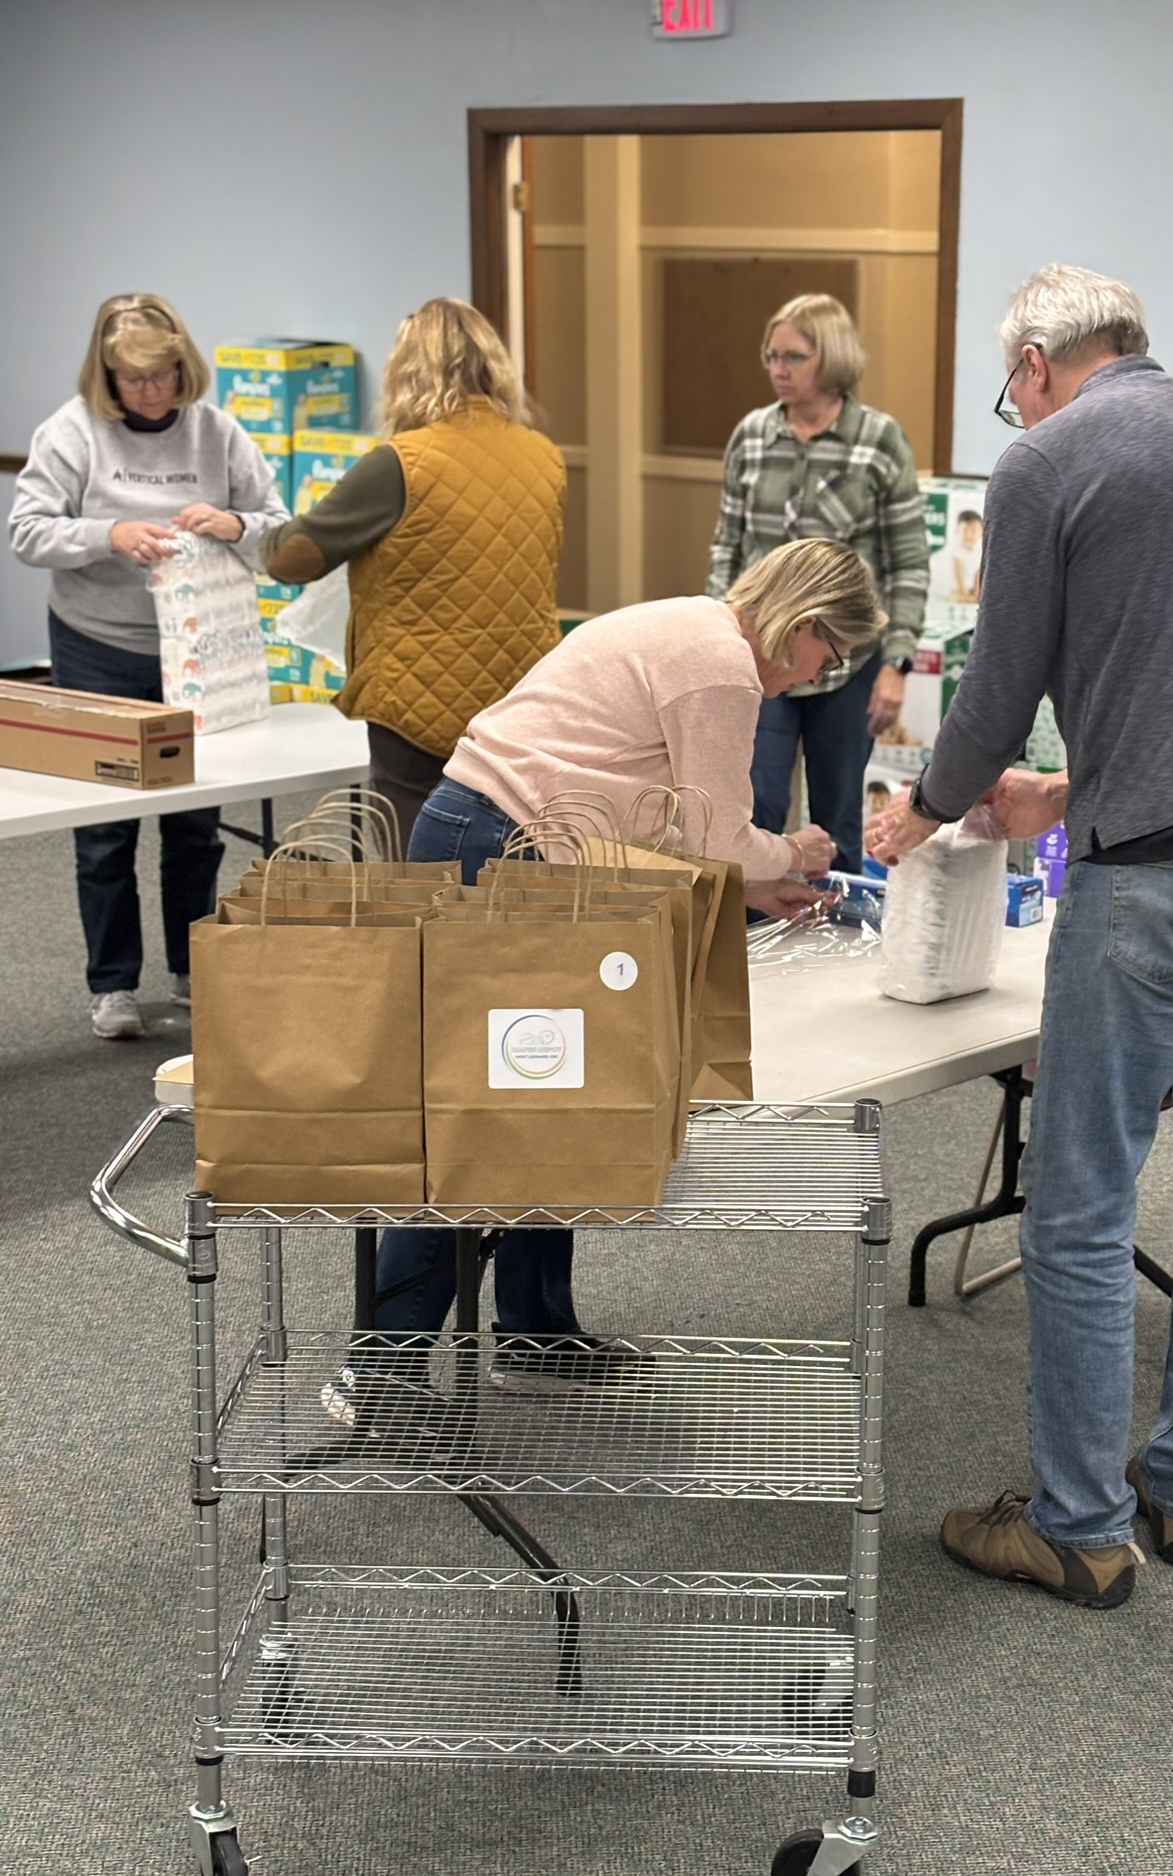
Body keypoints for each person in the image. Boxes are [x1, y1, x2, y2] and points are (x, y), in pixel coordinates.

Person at [868, 264, 1173, 1611]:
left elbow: (997, 680)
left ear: (1032, 366)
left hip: (1163, 879)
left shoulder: (1050, 461)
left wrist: (929, 809)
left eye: (1008, 389)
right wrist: (1084, 785)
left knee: (1079, 1207)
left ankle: (1076, 1523)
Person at [323, 536, 880, 1428]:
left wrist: (760, 876)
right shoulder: (723, 670)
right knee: (490, 1113)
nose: (823, 675)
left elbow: (659, 814)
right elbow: (716, 837)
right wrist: (795, 852)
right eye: (832, 654)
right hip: (499, 844)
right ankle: (379, 1371)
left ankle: (536, 1332)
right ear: (805, 623)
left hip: (493, 829)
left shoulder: (692, 629)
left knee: (550, 1096)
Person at [9, 292, 290, 1040]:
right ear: (106, 376)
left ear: (182, 366)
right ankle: (113, 986)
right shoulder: (71, 434)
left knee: (194, 824)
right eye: (133, 381)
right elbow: (28, 532)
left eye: (163, 375)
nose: (151, 392)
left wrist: (233, 524)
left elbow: (281, 529)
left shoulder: (217, 433)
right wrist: (111, 534)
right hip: (96, 645)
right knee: (105, 830)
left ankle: (193, 969)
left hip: (194, 656)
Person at [262, 296, 565, 850]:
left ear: (408, 371)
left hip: (416, 704)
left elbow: (293, 557)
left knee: (419, 870)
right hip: (516, 694)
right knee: (507, 860)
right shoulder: (543, 455)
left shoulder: (400, 463)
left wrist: (258, 531)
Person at [707, 293, 929, 872]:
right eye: (771, 356)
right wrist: (715, 641)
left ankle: (840, 947)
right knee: (755, 811)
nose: (778, 368)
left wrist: (896, 663)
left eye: (794, 357)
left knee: (838, 823)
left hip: (846, 664)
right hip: (760, 655)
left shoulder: (878, 440)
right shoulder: (752, 436)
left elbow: (908, 562)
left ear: (829, 359)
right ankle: (756, 947)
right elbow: (727, 548)